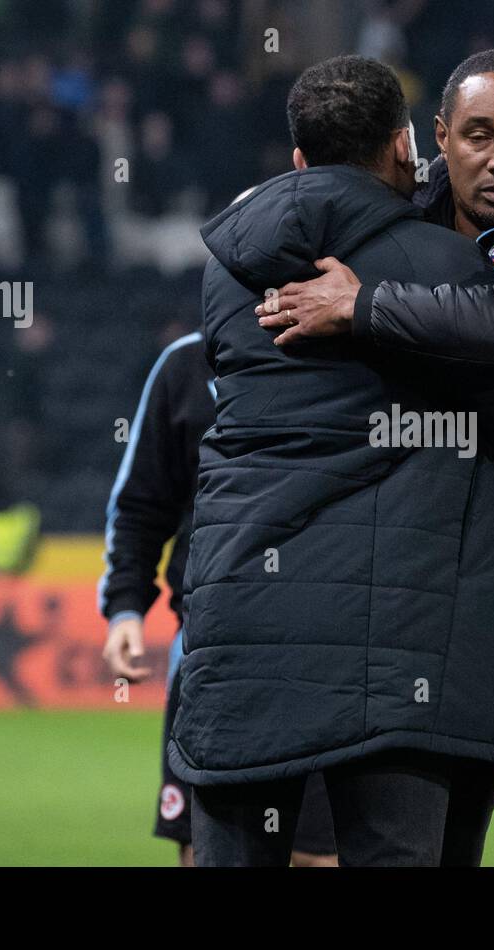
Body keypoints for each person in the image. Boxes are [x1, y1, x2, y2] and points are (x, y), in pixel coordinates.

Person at [171, 55, 494, 867]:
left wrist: (366, 306)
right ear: (434, 141)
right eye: (478, 135)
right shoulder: (407, 224)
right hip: (450, 611)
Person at [99, 328, 338, 867]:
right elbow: (140, 503)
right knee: (204, 851)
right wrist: (124, 607)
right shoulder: (185, 365)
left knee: (318, 856)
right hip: (211, 651)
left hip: (329, 652)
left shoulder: (346, 347)